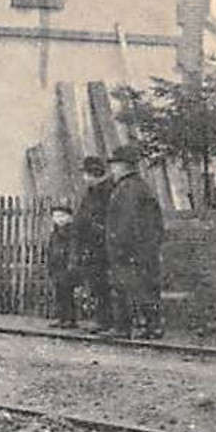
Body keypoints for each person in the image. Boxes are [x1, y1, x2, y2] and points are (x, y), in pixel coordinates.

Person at [104, 143, 165, 339]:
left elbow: (126, 222)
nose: (112, 169)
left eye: (114, 164)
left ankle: (125, 328)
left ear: (123, 166)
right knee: (144, 287)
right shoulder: (139, 187)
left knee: (126, 287)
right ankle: (151, 326)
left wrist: (120, 247)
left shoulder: (127, 189)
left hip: (129, 250)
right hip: (143, 249)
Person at [74, 155, 115, 333]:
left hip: (101, 245)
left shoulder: (105, 191)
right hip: (91, 245)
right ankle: (102, 319)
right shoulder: (92, 192)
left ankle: (106, 321)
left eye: (86, 174)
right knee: (96, 284)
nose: (84, 177)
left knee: (103, 284)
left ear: (93, 174)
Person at [45, 204, 83, 329]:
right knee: (59, 292)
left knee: (67, 293)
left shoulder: (72, 232)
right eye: (56, 216)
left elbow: (74, 248)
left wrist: (72, 263)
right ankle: (60, 317)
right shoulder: (55, 233)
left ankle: (70, 318)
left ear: (70, 218)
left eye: (62, 216)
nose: (59, 219)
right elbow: (51, 249)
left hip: (66, 265)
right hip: (57, 265)